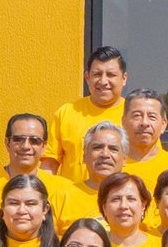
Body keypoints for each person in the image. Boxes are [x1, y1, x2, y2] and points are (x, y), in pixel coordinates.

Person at [44, 46, 128, 182]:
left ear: (124, 78)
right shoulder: (67, 112)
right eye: (97, 74)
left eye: (111, 75)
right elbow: (49, 166)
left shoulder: (135, 116)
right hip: (74, 200)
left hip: (120, 200)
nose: (103, 81)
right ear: (87, 77)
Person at [53, 123, 127, 229]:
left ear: (124, 159)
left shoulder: (135, 198)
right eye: (97, 147)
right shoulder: (62, 198)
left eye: (113, 149)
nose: (105, 154)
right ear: (84, 156)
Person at [119, 90, 168, 198]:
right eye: (137, 116)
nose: (144, 123)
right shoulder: (112, 166)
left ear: (163, 124)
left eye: (152, 117)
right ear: (123, 122)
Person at [1, 113, 51, 179]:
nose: (26, 146)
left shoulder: (62, 188)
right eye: (19, 139)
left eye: (34, 140)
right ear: (7, 144)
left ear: (43, 147)